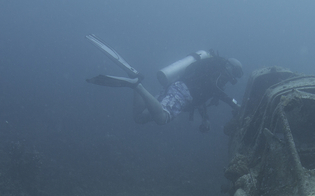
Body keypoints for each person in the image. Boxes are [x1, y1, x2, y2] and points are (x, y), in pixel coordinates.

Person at [87, 37, 242, 132]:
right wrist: (234, 105)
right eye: (233, 75)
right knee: (162, 118)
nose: (231, 79)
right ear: (230, 69)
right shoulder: (217, 75)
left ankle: (135, 79)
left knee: (140, 118)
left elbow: (204, 94)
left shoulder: (211, 71)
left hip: (176, 88)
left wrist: (205, 119)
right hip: (182, 94)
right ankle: (137, 85)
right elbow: (214, 90)